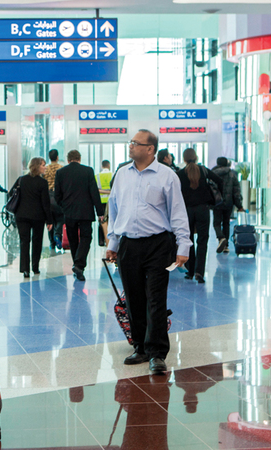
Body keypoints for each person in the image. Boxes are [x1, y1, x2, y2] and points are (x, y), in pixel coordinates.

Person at [105, 130, 191, 374]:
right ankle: (141, 347)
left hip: (158, 245)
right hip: (129, 245)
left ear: (150, 149)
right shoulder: (122, 174)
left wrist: (183, 246)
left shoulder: (167, 175)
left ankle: (157, 353)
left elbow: (178, 212)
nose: (130, 146)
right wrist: (113, 243)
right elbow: (114, 209)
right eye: (131, 142)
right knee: (133, 298)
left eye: (135, 143)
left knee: (155, 298)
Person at [54, 150, 105, 281]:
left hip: (69, 212)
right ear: (79, 159)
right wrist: (100, 212)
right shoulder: (88, 171)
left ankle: (77, 265)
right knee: (86, 237)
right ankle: (79, 265)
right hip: (85, 211)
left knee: (72, 239)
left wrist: (64, 206)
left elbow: (57, 195)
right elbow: (94, 192)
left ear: (68, 159)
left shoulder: (60, 172)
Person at [176, 148, 223, 283]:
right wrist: (215, 196)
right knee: (203, 240)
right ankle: (199, 272)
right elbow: (219, 180)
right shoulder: (203, 170)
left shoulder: (180, 174)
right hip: (203, 209)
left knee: (188, 240)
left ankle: (190, 271)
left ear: (184, 159)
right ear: (196, 157)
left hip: (186, 211)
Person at [15, 157, 53, 278]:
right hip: (37, 216)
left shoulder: (21, 180)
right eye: (43, 165)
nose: (45, 167)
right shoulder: (42, 182)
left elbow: (11, 194)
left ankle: (25, 269)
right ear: (37, 166)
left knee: (24, 242)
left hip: (22, 216)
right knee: (37, 241)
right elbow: (45, 203)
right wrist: (49, 220)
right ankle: (35, 267)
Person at [211, 157, 244, 254]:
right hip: (229, 203)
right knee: (226, 223)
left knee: (216, 223)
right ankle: (226, 246)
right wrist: (239, 206)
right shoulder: (232, 174)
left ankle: (221, 238)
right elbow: (236, 192)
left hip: (216, 202)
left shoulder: (213, 174)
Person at [45, 149, 64, 249]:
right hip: (58, 196)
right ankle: (57, 234)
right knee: (61, 218)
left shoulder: (46, 169)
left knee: (50, 219)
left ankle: (52, 242)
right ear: (57, 157)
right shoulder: (61, 168)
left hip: (47, 196)